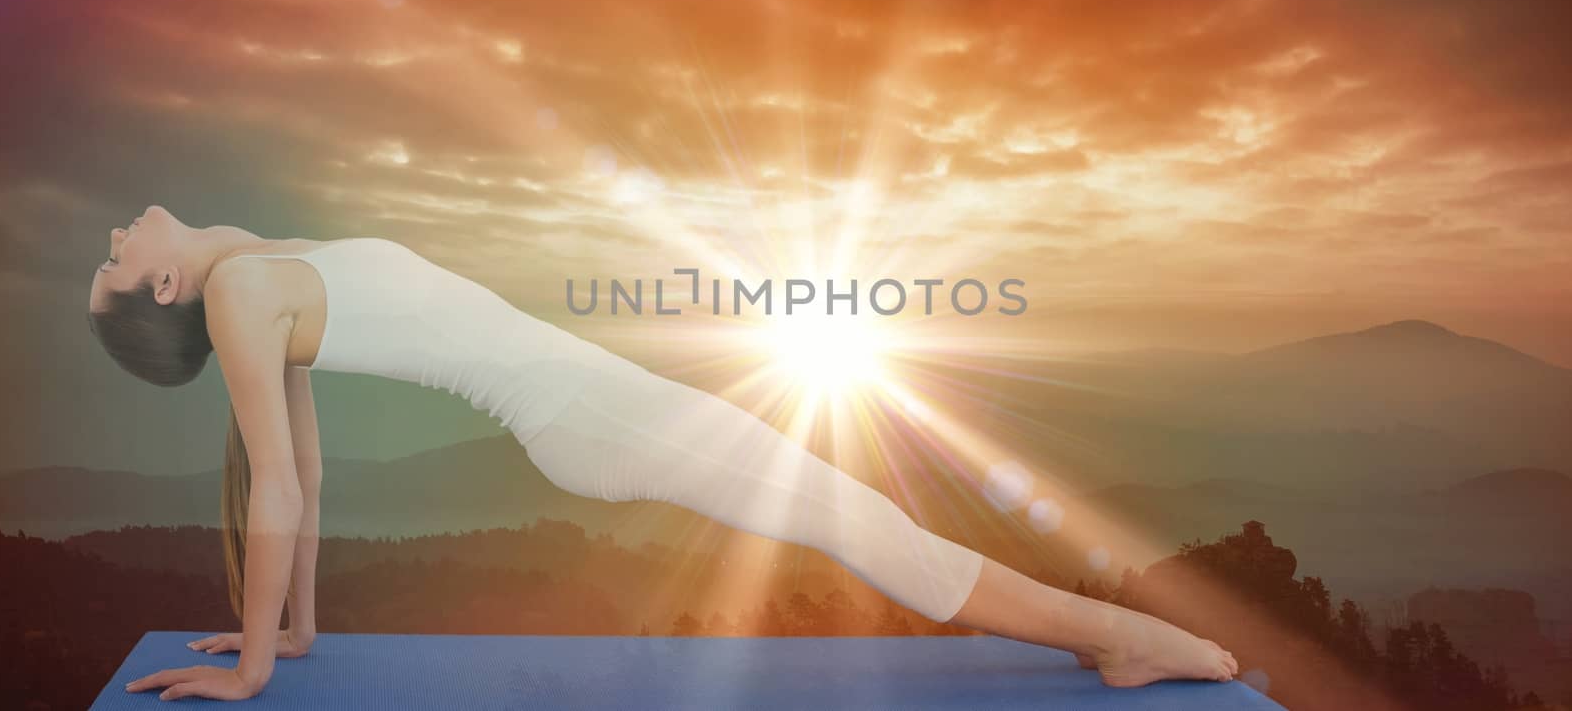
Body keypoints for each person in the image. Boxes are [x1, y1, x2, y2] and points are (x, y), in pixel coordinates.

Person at [88, 204, 1238, 702]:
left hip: (599, 400)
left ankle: (1111, 633)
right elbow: (279, 479)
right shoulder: (239, 290)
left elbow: (306, 459)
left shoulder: (249, 264)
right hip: (588, 420)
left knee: (852, 513)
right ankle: (1123, 637)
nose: (111, 237)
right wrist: (249, 669)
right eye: (115, 263)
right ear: (170, 287)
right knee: (861, 520)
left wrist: (293, 633)